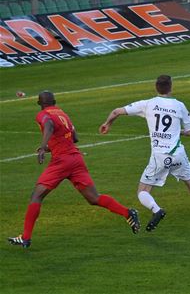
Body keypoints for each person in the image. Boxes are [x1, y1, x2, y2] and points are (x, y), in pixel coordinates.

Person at [8, 92, 140, 248]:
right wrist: (53, 146)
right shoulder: (63, 113)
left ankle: (26, 237)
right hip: (76, 160)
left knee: (36, 196)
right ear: (55, 101)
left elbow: (49, 125)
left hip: (61, 162)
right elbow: (74, 138)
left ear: (39, 103)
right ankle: (127, 213)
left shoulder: (43, 114)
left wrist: (44, 147)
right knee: (93, 198)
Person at [99, 75, 190, 233]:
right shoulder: (179, 105)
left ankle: (156, 210)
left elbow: (117, 111)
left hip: (159, 156)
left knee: (143, 192)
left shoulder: (148, 104)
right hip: (178, 154)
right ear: (171, 87)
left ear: (156, 88)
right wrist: (178, 131)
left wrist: (107, 123)